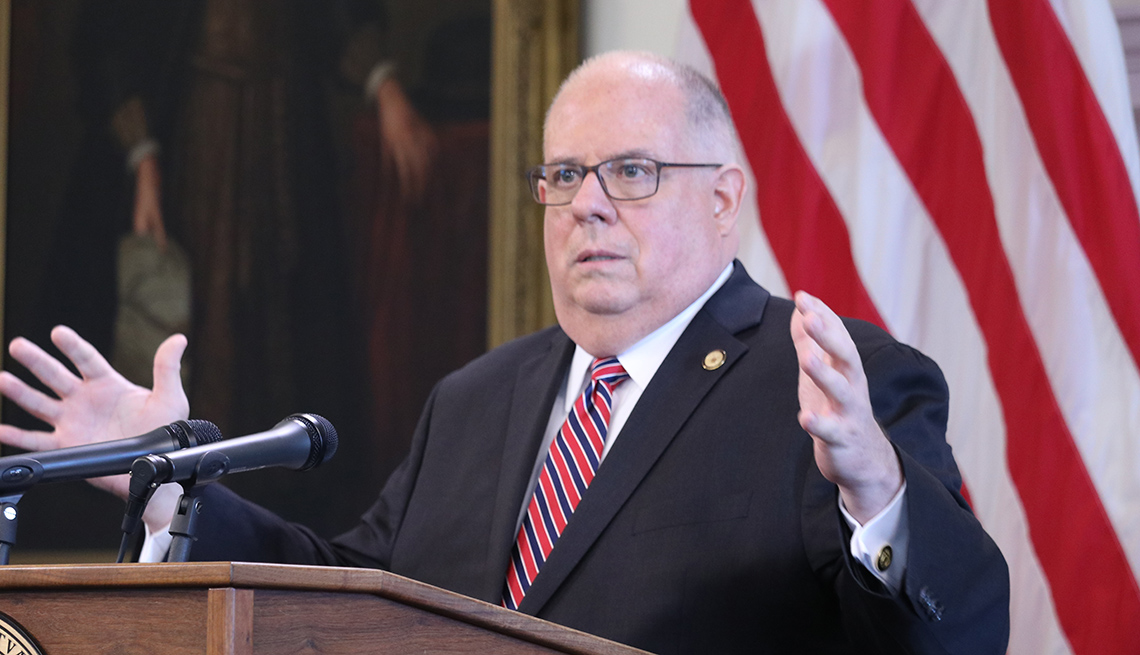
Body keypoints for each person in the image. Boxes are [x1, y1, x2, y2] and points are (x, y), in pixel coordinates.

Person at [0, 51, 1009, 653]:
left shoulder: (831, 383)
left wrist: (879, 491)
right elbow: (349, 594)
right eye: (564, 173)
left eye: (633, 171)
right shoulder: (477, 397)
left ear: (725, 198)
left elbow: (955, 634)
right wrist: (170, 475)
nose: (589, 206)